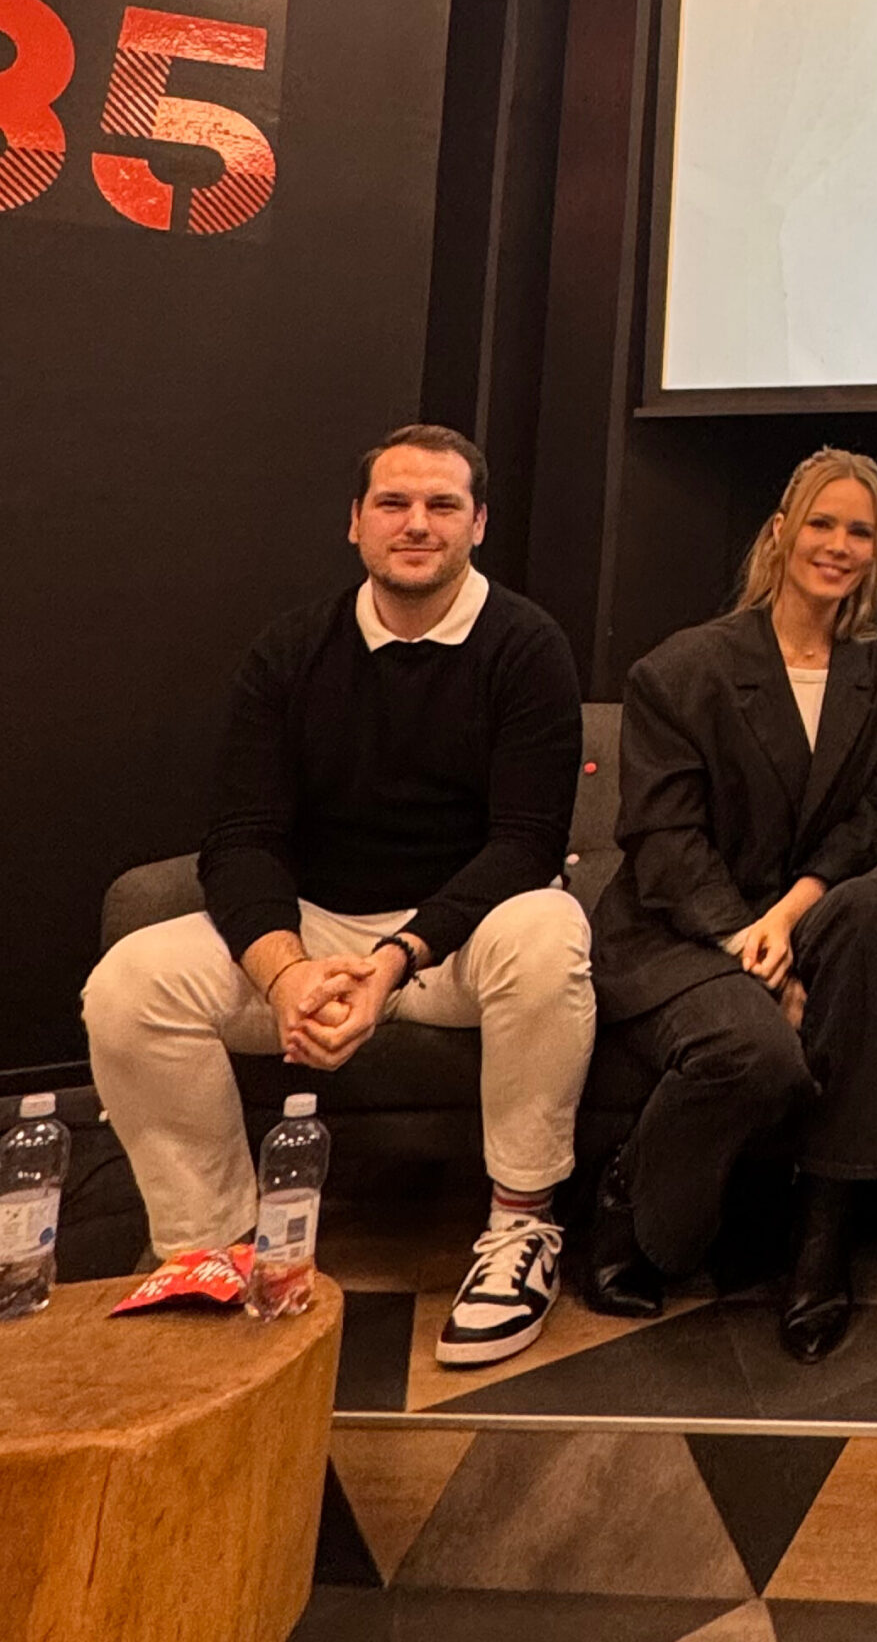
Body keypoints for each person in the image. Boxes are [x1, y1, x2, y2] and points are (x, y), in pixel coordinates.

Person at [85, 425, 593, 1366]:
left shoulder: (527, 646)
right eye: (393, 503)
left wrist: (394, 961)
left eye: (443, 505)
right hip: (312, 932)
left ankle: (521, 1227)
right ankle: (214, 1250)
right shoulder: (288, 653)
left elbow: (526, 844)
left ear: (478, 523)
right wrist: (284, 978)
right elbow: (240, 841)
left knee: (549, 928)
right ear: (354, 521)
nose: (417, 523)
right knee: (129, 981)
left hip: (455, 941)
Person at [584, 449, 877, 1361]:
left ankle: (824, 1237)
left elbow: (871, 819)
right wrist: (748, 940)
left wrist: (789, 918)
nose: (838, 546)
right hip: (675, 931)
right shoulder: (681, 670)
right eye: (821, 523)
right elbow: (663, 843)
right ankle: (634, 1205)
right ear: (780, 534)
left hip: (793, 918)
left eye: (860, 532)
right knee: (757, 1050)